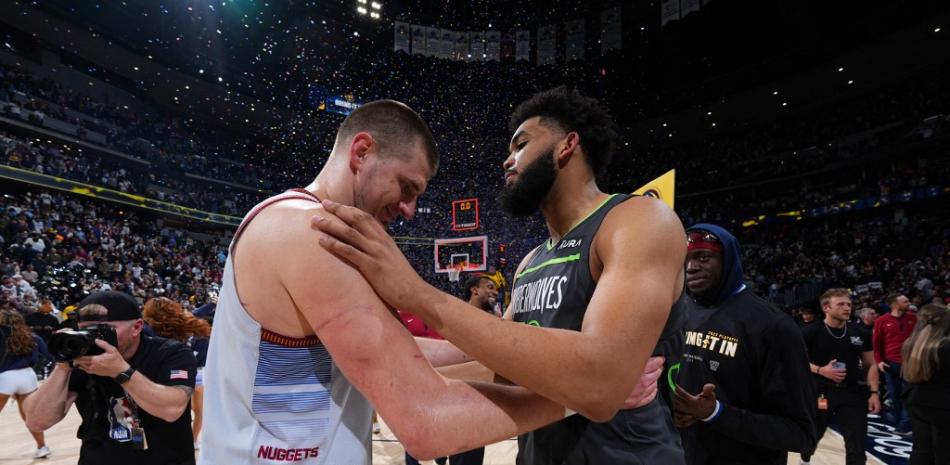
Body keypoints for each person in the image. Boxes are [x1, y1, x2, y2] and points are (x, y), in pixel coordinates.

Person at [199, 99, 607, 465]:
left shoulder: (302, 225)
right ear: (361, 152)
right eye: (406, 187)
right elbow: (426, 423)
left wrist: (494, 343)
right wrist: (583, 395)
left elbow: (391, 346)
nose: (411, 209)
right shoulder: (310, 232)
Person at [311, 87, 686, 464]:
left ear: (567, 146)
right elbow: (503, 369)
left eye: (520, 144)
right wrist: (371, 346)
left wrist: (417, 293)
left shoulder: (637, 221)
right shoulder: (531, 261)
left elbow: (602, 383)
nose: (508, 161)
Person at [671, 224, 816, 465]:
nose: (691, 267)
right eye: (684, 259)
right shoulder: (679, 310)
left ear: (728, 260)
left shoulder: (773, 325)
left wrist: (715, 413)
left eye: (703, 257)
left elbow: (801, 434)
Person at [23, 291, 198, 465]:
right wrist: (62, 367)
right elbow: (36, 421)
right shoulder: (81, 359)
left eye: (103, 329)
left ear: (136, 327)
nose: (94, 337)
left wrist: (120, 371)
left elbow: (172, 409)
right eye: (85, 330)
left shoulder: (170, 353)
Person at [405, 274, 501, 465]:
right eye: (490, 287)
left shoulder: (495, 323)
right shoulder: (452, 315)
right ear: (475, 290)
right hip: (436, 405)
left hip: (472, 410)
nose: (495, 292)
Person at [800, 288, 881, 465]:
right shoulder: (809, 332)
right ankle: (805, 460)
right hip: (820, 392)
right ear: (826, 308)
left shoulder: (860, 333)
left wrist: (874, 392)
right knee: (814, 435)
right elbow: (794, 361)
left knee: (856, 445)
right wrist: (821, 370)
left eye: (849, 304)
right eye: (841, 304)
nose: (847, 308)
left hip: (853, 393)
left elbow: (870, 364)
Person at [141, 297, 211, 449]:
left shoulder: (146, 330)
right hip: (189, 374)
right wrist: (213, 303)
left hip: (158, 377)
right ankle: (190, 441)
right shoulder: (183, 324)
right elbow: (199, 316)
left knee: (159, 415)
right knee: (193, 412)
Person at [900, 303, 950, 465]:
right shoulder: (944, 346)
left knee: (921, 449)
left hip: (916, 401)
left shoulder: (910, 343)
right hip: (942, 405)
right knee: (943, 452)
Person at [0, 310, 53, 458]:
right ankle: (42, 447)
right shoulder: (33, 337)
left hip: (4, 377)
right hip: (28, 376)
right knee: (30, 417)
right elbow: (50, 355)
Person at [873, 292, 917, 434]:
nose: (908, 302)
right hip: (890, 363)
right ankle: (899, 421)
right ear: (894, 304)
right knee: (894, 394)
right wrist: (879, 361)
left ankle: (905, 424)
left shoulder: (914, 318)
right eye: (905, 301)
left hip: (911, 362)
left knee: (909, 394)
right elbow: (877, 344)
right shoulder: (882, 320)